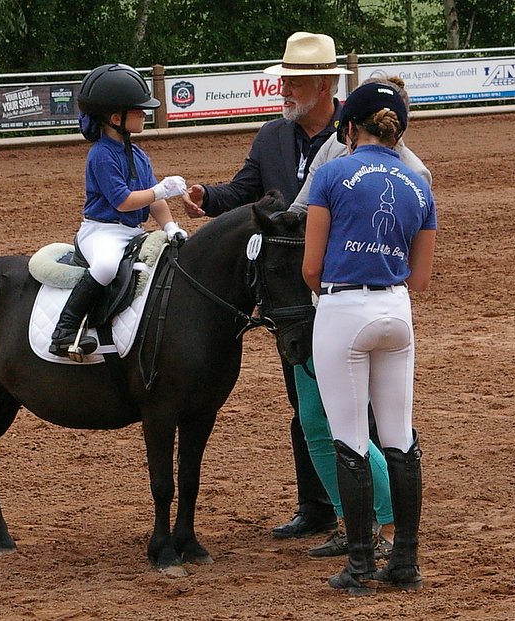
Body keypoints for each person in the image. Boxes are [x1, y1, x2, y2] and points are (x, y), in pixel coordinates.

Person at [181, 32, 425, 543]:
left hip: (329, 288)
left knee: (357, 417)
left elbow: (300, 216)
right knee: (308, 409)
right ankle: (324, 509)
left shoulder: (340, 151)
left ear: (324, 84)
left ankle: (376, 522)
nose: (284, 88)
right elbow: (250, 192)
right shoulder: (273, 136)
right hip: (294, 296)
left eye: (293, 80)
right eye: (283, 79)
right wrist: (211, 197)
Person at [302, 81, 437, 595]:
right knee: (401, 439)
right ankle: (405, 562)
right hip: (396, 311)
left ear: (350, 127)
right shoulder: (419, 182)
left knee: (350, 441)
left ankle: (359, 566)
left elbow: (311, 268)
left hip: (344, 307)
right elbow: (420, 280)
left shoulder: (334, 170)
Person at [49, 63, 188, 359]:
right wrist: (161, 189)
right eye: (138, 111)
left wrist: (170, 227)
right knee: (106, 267)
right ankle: (64, 330)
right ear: (116, 118)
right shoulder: (100, 155)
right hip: (102, 231)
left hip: (133, 232)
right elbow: (123, 201)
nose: (144, 115)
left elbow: (153, 201)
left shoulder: (138, 154)